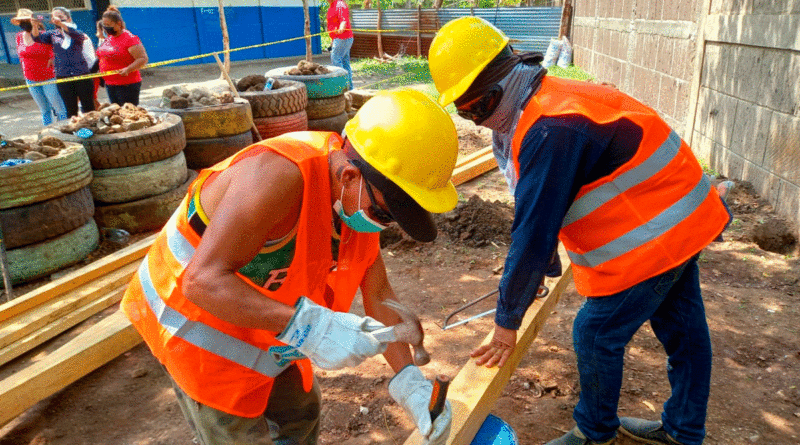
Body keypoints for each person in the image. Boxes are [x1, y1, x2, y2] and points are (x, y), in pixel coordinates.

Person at [428, 17, 731, 445]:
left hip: (662, 230)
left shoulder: (550, 129)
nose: (475, 121)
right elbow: (547, 207)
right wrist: (541, 274)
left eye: (474, 108)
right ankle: (683, 431)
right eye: (463, 111)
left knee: (594, 332)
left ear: (498, 86)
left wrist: (506, 321)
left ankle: (595, 432)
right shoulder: (546, 102)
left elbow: (533, 231)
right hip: (685, 215)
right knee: (684, 331)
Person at [121, 89, 456, 445]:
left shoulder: (356, 205)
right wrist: (309, 326)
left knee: (301, 414)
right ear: (349, 177)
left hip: (265, 325)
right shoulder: (276, 176)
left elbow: (378, 293)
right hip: (198, 331)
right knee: (237, 433)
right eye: (385, 214)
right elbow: (201, 282)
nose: (385, 225)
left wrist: (408, 381)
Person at [31, 7, 94, 117]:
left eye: (60, 17)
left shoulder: (76, 32)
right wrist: (35, 25)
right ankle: (75, 130)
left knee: (88, 107)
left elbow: (77, 35)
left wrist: (62, 24)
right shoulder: (53, 34)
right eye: (54, 17)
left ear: (69, 19)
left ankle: (93, 129)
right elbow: (37, 38)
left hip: (81, 74)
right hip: (63, 76)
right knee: (70, 109)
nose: (57, 20)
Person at [10, 8, 67, 125]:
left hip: (48, 78)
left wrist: (53, 57)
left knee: (59, 108)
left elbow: (61, 46)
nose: (23, 24)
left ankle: (64, 130)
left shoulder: (45, 35)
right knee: (44, 110)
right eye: (21, 22)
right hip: (30, 79)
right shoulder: (19, 36)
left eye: (26, 20)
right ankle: (48, 133)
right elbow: (21, 55)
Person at [96, 6, 148, 106]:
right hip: (110, 83)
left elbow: (143, 58)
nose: (106, 27)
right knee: (116, 113)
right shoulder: (109, 38)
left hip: (127, 84)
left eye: (108, 25)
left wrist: (128, 69)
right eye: (104, 25)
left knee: (128, 115)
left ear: (118, 24)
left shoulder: (130, 39)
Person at [326, 0, 354, 89]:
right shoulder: (331, 6)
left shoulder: (339, 4)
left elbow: (344, 19)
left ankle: (341, 86)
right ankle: (349, 88)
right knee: (345, 63)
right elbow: (333, 22)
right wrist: (333, 40)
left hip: (343, 38)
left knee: (336, 59)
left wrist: (342, 27)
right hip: (339, 38)